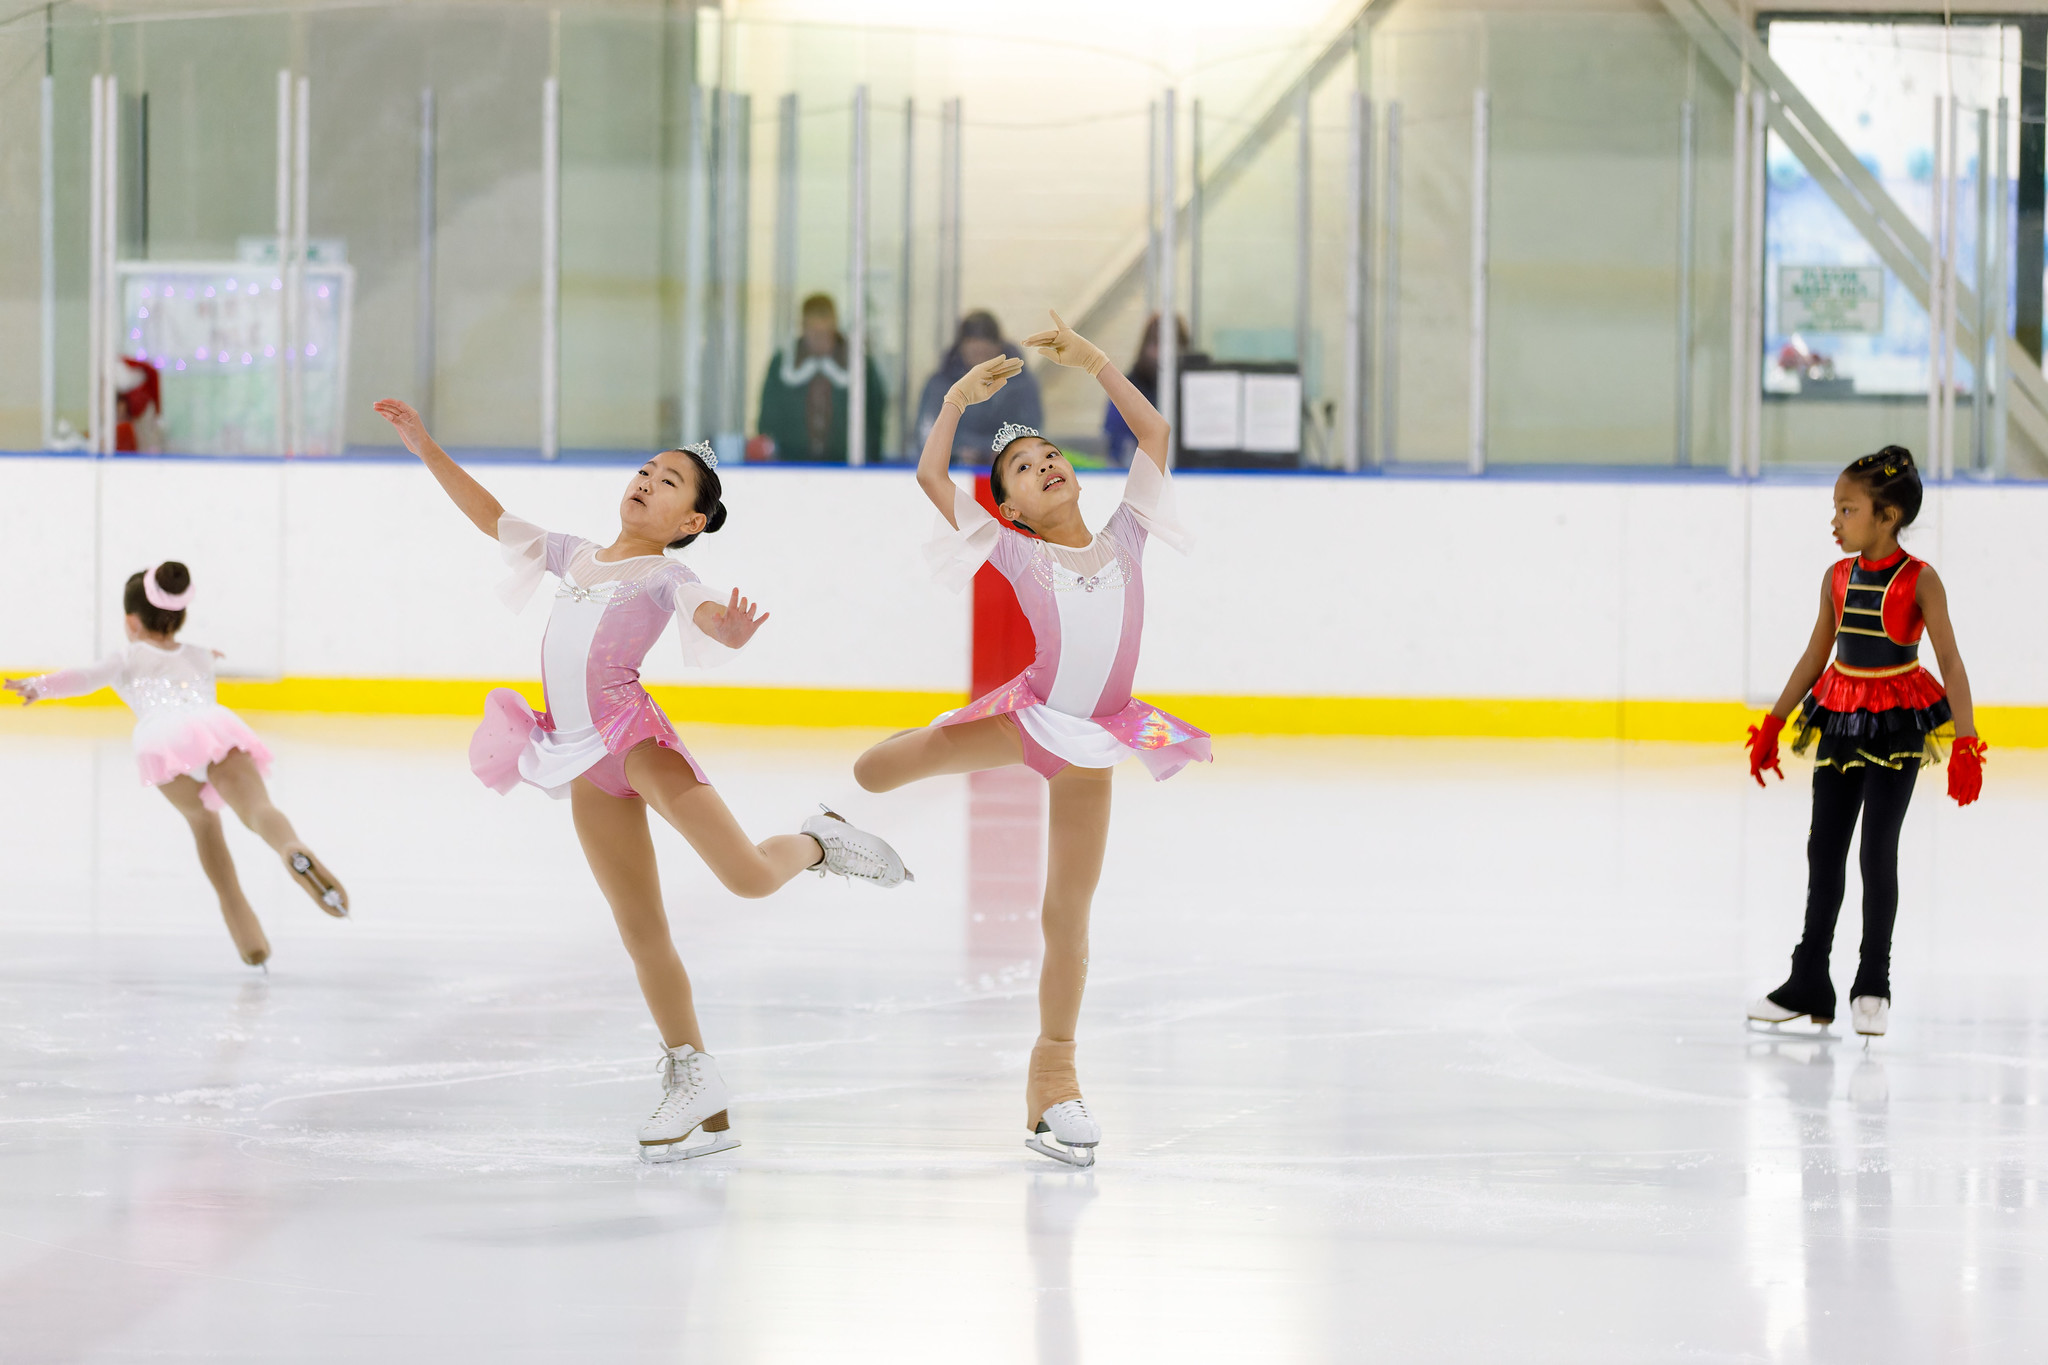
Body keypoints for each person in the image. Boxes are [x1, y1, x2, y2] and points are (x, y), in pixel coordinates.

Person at [372, 398, 913, 1162]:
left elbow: (702, 607)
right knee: (640, 930)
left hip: (632, 739)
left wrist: (724, 626)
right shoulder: (576, 554)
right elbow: (492, 517)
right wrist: (425, 446)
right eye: (645, 471)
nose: (647, 483)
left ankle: (819, 842)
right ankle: (693, 1071)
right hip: (574, 753)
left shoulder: (667, 572)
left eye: (669, 484)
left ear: (690, 520)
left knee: (749, 879)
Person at [851, 310, 1211, 1168]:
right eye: (1021, 466)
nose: (1042, 462)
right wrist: (952, 403)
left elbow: (1154, 429)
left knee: (1065, 916)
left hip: (1097, 739)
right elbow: (933, 480)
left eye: (1048, 453)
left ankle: (1054, 1078)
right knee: (883, 769)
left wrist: (1091, 360)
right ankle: (843, 822)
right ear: (1008, 505)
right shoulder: (1017, 554)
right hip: (1029, 714)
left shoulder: (1127, 535)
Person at [1745, 446, 1986, 1040]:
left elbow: (1951, 661)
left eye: (1847, 509)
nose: (1835, 521)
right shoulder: (1837, 577)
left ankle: (1872, 982)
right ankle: (1809, 980)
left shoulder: (1920, 581)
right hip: (1839, 713)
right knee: (1822, 849)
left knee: (1877, 851)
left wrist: (1966, 740)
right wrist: (1774, 723)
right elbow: (1815, 653)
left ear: (1889, 515)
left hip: (1898, 722)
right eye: (1836, 508)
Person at [5, 563, 349, 967]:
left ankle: (247, 934)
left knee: (204, 825)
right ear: (180, 616)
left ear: (131, 621)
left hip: (166, 744)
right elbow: (195, 668)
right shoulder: (202, 656)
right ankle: (292, 850)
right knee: (259, 811)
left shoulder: (128, 655)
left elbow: (86, 678)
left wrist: (40, 687)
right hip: (216, 730)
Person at [756, 293, 888, 463]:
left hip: (847, 467)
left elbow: (874, 417)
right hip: (790, 466)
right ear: (803, 327)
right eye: (814, 332)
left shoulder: (860, 364)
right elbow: (767, 418)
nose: (819, 339)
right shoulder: (782, 364)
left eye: (825, 333)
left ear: (834, 326)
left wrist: (871, 460)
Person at [915, 310, 1043, 464]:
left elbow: (1032, 428)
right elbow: (928, 431)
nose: (980, 354)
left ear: (999, 347)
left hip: (1009, 466)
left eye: (986, 349)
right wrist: (957, 449)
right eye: (974, 348)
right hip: (953, 467)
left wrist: (1006, 449)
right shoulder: (940, 383)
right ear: (961, 347)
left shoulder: (1021, 383)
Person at [1104, 313, 1189, 467]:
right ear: (1146, 346)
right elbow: (1115, 439)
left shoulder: (1189, 385)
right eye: (1156, 344)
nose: (1163, 354)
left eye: (1174, 346)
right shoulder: (1129, 386)